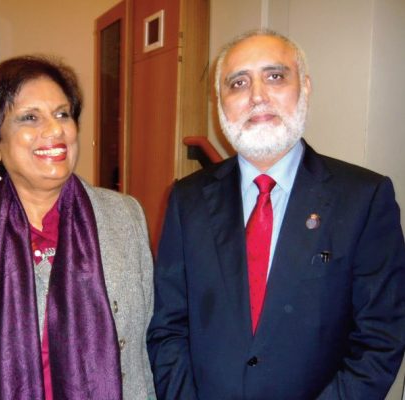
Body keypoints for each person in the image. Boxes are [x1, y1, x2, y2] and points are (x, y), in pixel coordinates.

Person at [147, 29, 405, 399]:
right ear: (220, 105)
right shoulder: (186, 201)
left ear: (306, 86)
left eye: (275, 77)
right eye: (238, 83)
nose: (257, 96)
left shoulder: (363, 198)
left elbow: (380, 338)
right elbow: (168, 328)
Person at [0, 55, 154, 399]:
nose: (55, 130)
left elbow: (146, 349)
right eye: (30, 118)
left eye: (62, 114)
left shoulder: (124, 217)